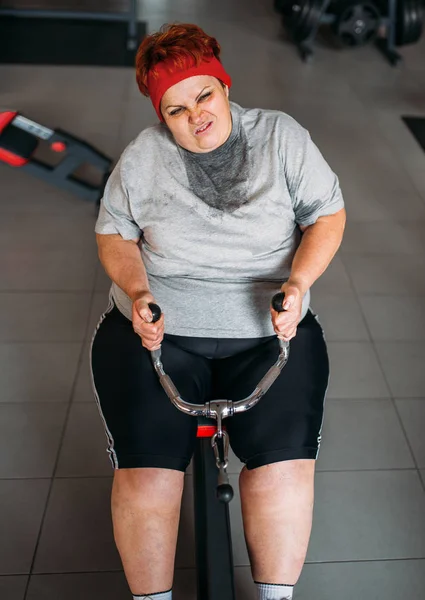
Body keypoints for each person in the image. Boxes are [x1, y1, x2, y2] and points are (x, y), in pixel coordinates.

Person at [91, 22, 346, 600]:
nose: (195, 116)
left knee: (282, 470)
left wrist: (299, 283)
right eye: (176, 109)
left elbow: (326, 216)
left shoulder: (282, 137)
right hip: (161, 333)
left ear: (224, 86)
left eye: (203, 95)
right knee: (148, 475)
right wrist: (138, 295)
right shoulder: (143, 156)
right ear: (162, 115)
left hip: (267, 331)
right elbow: (114, 235)